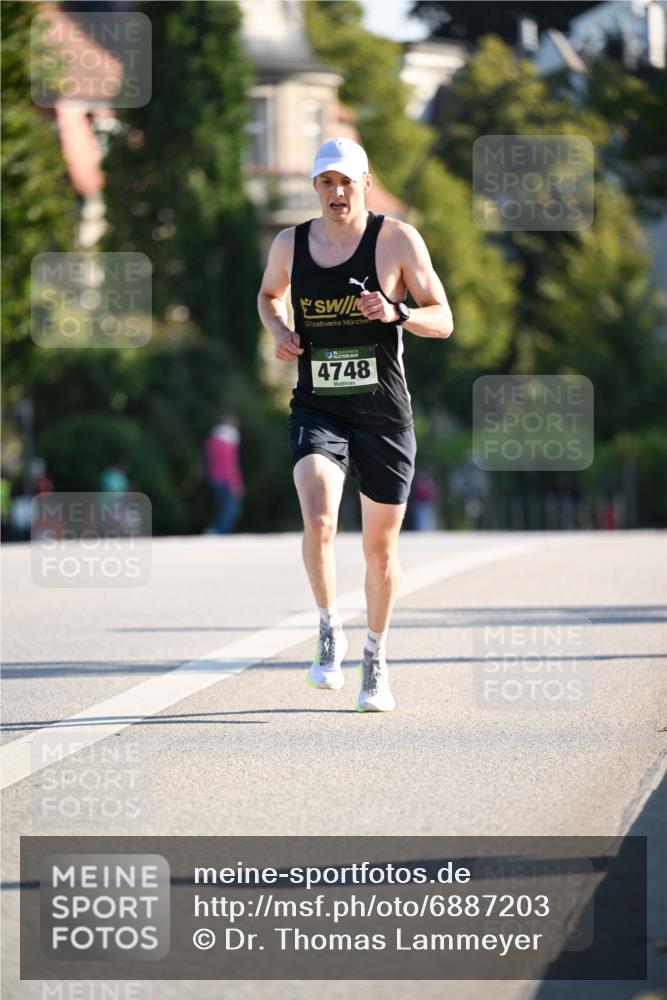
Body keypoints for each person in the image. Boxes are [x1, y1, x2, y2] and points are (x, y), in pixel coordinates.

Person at [257, 137, 453, 712]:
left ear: (365, 183)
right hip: (318, 408)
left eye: (347, 182)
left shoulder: (395, 239)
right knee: (318, 518)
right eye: (326, 182)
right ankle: (327, 628)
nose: (337, 192)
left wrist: (398, 312)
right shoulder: (290, 243)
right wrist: (279, 332)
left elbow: (443, 317)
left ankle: (375, 655)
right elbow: (270, 295)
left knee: (380, 550)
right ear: (314, 188)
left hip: (384, 417)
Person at [204, 414, 245, 534]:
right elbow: (230, 465)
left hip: (214, 478)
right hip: (226, 479)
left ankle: (215, 531)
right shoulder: (229, 440)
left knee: (224, 507)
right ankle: (217, 531)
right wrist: (236, 485)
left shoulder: (213, 439)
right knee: (232, 508)